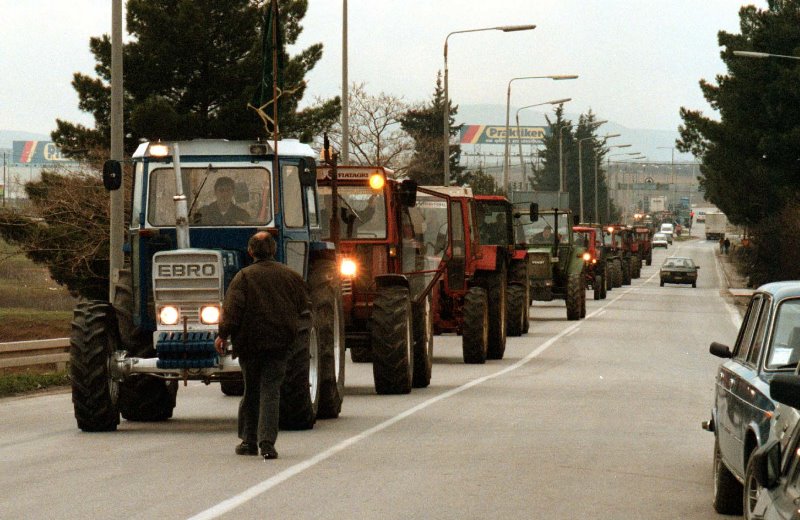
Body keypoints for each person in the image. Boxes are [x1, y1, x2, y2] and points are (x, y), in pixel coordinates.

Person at [214, 232, 310, 460]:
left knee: (252, 390)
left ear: (250, 251)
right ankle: (267, 444)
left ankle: (248, 441)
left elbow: (232, 311)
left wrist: (222, 335)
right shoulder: (291, 276)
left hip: (250, 344)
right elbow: (303, 306)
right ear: (274, 250)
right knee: (270, 391)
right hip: (280, 344)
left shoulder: (243, 277)